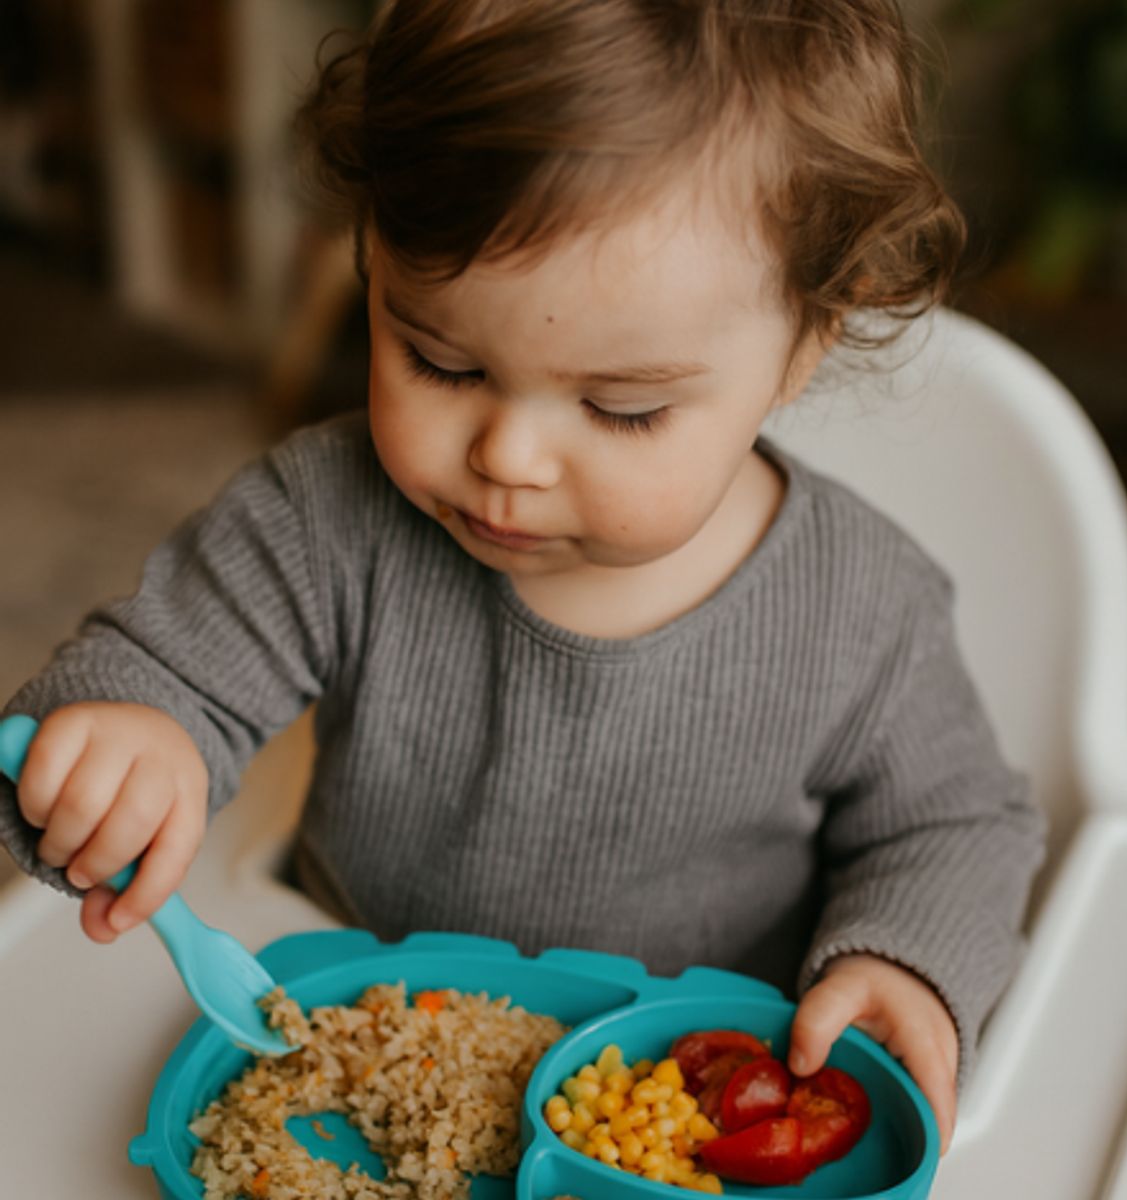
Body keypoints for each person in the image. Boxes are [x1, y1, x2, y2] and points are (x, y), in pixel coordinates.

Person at [0, 0, 1042, 1156]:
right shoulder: (325, 520)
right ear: (372, 259)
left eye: (621, 407)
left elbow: (955, 823)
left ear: (806, 344)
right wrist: (113, 747)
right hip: (357, 1055)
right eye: (437, 359)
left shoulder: (865, 613)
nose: (507, 458)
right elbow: (158, 670)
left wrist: (900, 960)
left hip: (667, 1110)